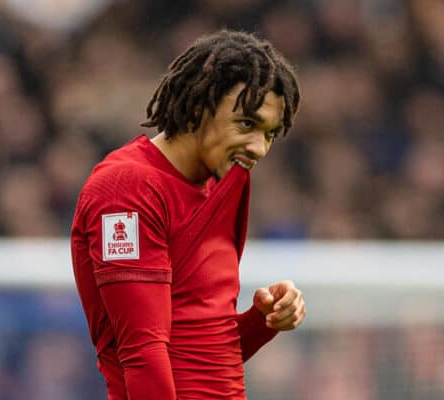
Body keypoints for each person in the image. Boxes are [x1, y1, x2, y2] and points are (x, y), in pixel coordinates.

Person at [70, 29, 306, 400]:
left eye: (271, 133)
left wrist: (264, 320)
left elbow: (202, 358)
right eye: (246, 124)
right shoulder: (126, 190)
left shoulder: (225, 184)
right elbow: (142, 353)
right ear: (200, 107)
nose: (259, 148)